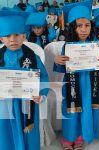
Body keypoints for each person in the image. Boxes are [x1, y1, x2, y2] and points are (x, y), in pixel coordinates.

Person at [53, 1, 99, 150]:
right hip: (72, 85)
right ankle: (68, 137)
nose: (83, 29)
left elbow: (98, 69)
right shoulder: (67, 46)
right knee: (71, 110)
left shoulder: (94, 45)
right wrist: (58, 61)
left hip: (89, 85)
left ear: (91, 26)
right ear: (73, 27)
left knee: (85, 109)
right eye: (79, 26)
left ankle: (79, 136)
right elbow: (62, 68)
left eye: (87, 25)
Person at [0, 9, 49, 150]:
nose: (12, 39)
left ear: (24, 36)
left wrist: (42, 94)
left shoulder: (33, 57)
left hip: (27, 102)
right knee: (5, 131)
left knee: (29, 132)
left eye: (16, 35)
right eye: (7, 35)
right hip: (5, 104)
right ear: (1, 38)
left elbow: (44, 76)